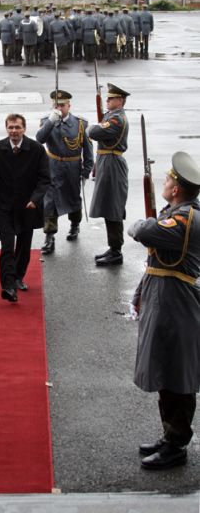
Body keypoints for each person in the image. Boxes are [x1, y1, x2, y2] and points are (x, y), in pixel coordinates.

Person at [128, 151, 200, 470]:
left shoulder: (184, 219)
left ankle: (177, 445)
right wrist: (141, 293)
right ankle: (170, 435)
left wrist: (146, 221)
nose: (165, 183)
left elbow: (141, 231)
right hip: (167, 299)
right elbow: (157, 259)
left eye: (169, 179)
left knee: (177, 376)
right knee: (167, 371)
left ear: (177, 189)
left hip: (177, 304)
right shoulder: (179, 213)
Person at [0, 114, 50, 302]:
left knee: (23, 245)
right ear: (6, 128)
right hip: (4, 206)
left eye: (17, 127)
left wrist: (35, 199)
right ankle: (8, 286)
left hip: (27, 206)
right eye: (11, 127)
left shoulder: (36, 149)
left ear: (24, 129)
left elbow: (45, 178)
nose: (14, 131)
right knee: (7, 245)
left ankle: (18, 276)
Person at [36, 90, 93, 254]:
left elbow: (88, 151)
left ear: (69, 105)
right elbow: (40, 139)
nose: (59, 108)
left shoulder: (80, 124)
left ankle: (75, 225)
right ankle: (49, 236)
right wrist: (50, 122)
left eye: (62, 105)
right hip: (52, 166)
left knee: (73, 198)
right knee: (50, 202)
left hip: (72, 167)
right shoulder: (47, 121)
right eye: (56, 105)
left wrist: (86, 172)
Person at [87, 84, 130, 266]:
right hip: (107, 161)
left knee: (113, 207)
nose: (107, 100)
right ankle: (113, 247)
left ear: (120, 100)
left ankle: (116, 251)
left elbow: (94, 132)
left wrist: (91, 128)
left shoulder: (117, 119)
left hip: (112, 164)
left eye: (111, 98)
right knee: (108, 206)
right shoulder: (111, 116)